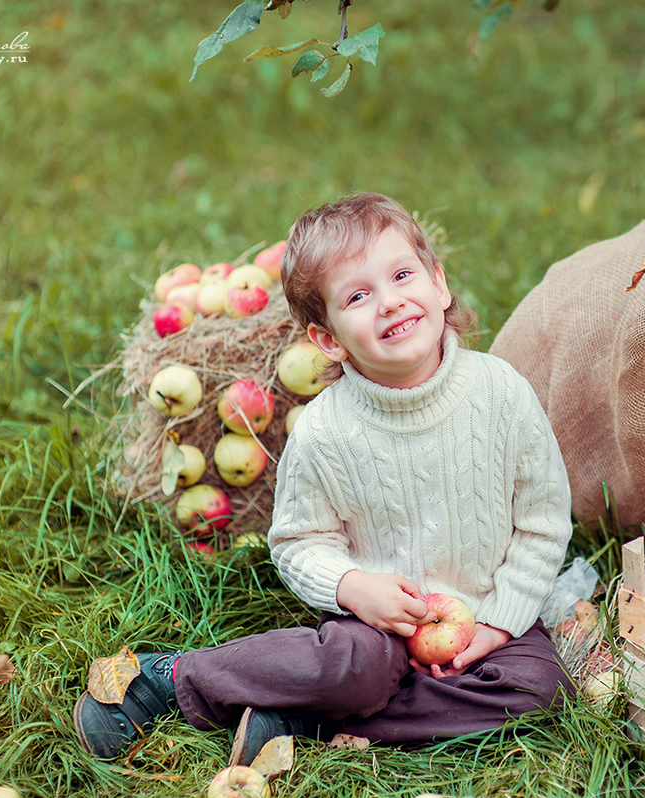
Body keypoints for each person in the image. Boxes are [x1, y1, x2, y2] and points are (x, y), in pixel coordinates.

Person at [73, 192, 576, 763]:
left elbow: (541, 522)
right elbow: (297, 542)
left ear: (438, 284)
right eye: (358, 296)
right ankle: (173, 678)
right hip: (376, 628)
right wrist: (354, 588)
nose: (389, 302)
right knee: (353, 669)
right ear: (328, 338)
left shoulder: (502, 393)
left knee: (539, 689)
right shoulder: (326, 431)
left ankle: (297, 716)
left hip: (485, 615)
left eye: (403, 275)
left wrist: (499, 622)